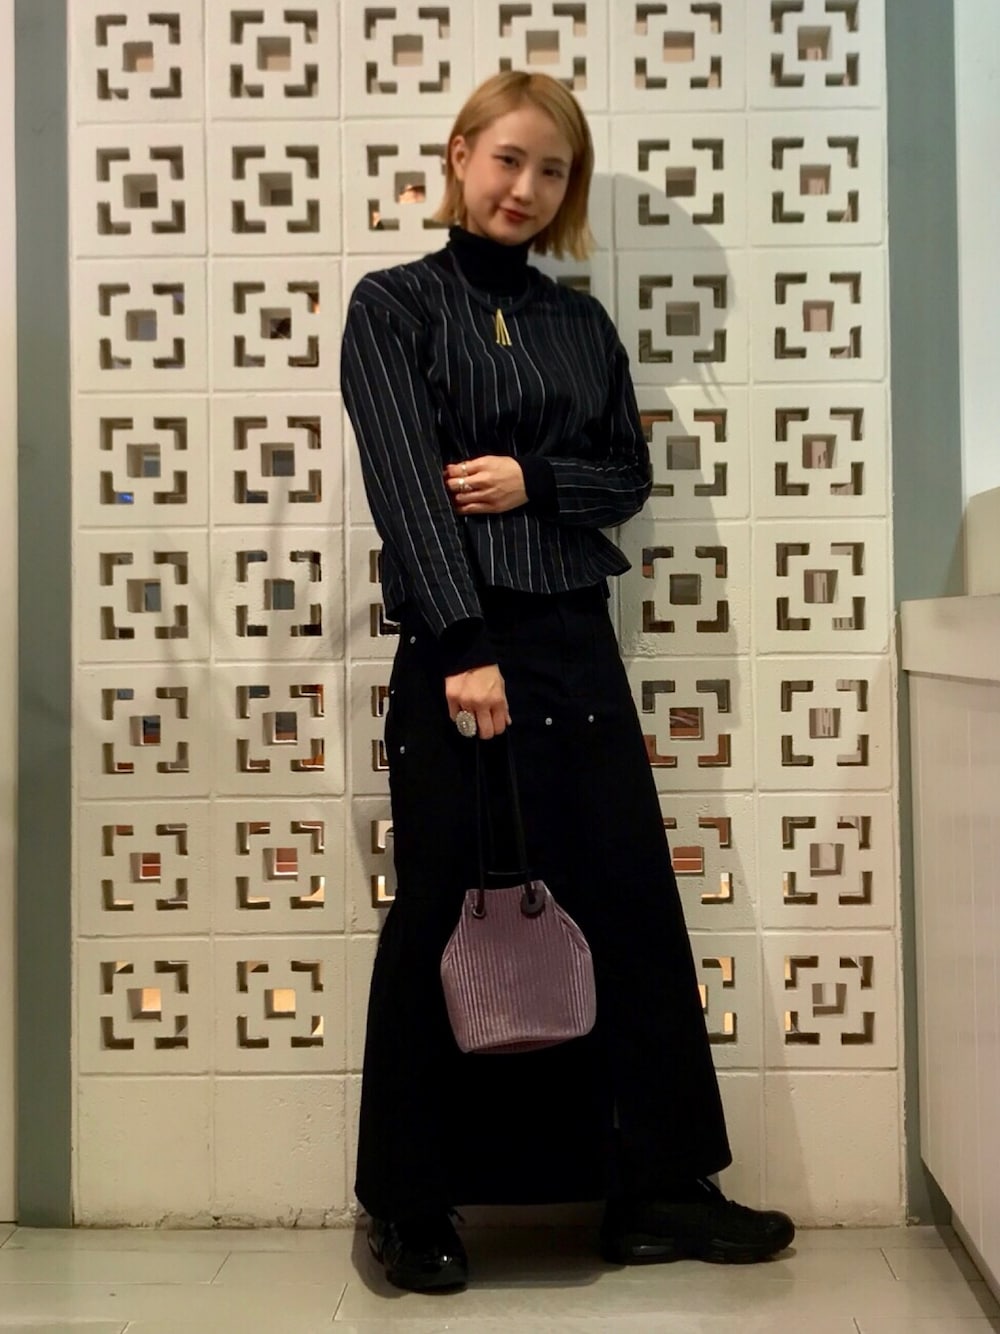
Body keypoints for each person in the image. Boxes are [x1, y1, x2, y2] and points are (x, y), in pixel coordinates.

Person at [340, 70, 795, 1294]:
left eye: (552, 170)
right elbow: (405, 485)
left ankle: (655, 1188)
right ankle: (412, 1202)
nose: (526, 187)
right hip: (465, 644)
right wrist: (462, 643)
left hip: (575, 642)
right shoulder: (395, 305)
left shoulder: (578, 324)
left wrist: (532, 480)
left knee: (623, 899)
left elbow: (623, 479)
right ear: (459, 156)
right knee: (447, 908)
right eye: (508, 159)